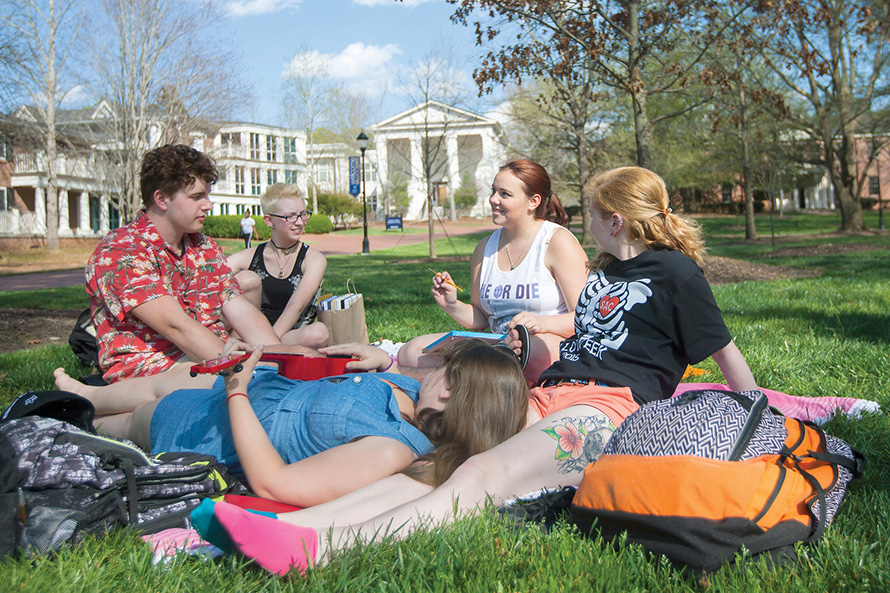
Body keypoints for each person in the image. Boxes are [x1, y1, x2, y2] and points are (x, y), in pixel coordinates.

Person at [205, 166, 759, 576]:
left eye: (590, 214)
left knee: (478, 477)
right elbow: (580, 336)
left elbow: (725, 354)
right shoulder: (607, 272)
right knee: (437, 462)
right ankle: (287, 529)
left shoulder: (677, 275)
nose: (584, 224)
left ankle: (322, 551)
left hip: (605, 411)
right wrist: (529, 338)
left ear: (615, 219)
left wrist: (759, 417)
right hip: (547, 393)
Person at [54, 339, 531, 508]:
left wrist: (237, 390)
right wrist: (383, 361)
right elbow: (397, 377)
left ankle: (73, 418)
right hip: (254, 390)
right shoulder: (409, 394)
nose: (430, 371)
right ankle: (86, 396)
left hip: (220, 425)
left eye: (441, 370)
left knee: (144, 414)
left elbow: (274, 483)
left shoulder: (391, 448)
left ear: (448, 392)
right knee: (173, 380)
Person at [85, 144, 287, 383]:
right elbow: (176, 327)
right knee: (249, 390)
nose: (209, 205)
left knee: (285, 372)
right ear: (161, 199)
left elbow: (240, 309)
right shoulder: (121, 251)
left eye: (207, 195)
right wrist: (243, 371)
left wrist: (282, 362)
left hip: (205, 358)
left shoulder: (203, 247)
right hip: (150, 371)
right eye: (196, 197)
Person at [397, 159, 589, 383]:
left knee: (523, 351)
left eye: (504, 194)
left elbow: (586, 317)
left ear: (533, 201)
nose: (493, 200)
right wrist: (452, 304)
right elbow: (481, 318)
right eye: (493, 191)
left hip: (544, 344)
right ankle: (471, 385)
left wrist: (543, 323)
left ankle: (460, 385)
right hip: (498, 344)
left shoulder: (556, 241)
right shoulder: (484, 248)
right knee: (411, 353)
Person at [227, 184, 329, 348]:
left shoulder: (314, 259)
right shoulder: (251, 256)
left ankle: (258, 352)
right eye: (290, 216)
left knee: (319, 332)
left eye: (303, 214)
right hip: (252, 334)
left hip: (290, 337)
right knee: (245, 279)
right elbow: (212, 277)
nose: (300, 222)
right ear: (269, 220)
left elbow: (296, 306)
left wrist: (267, 344)